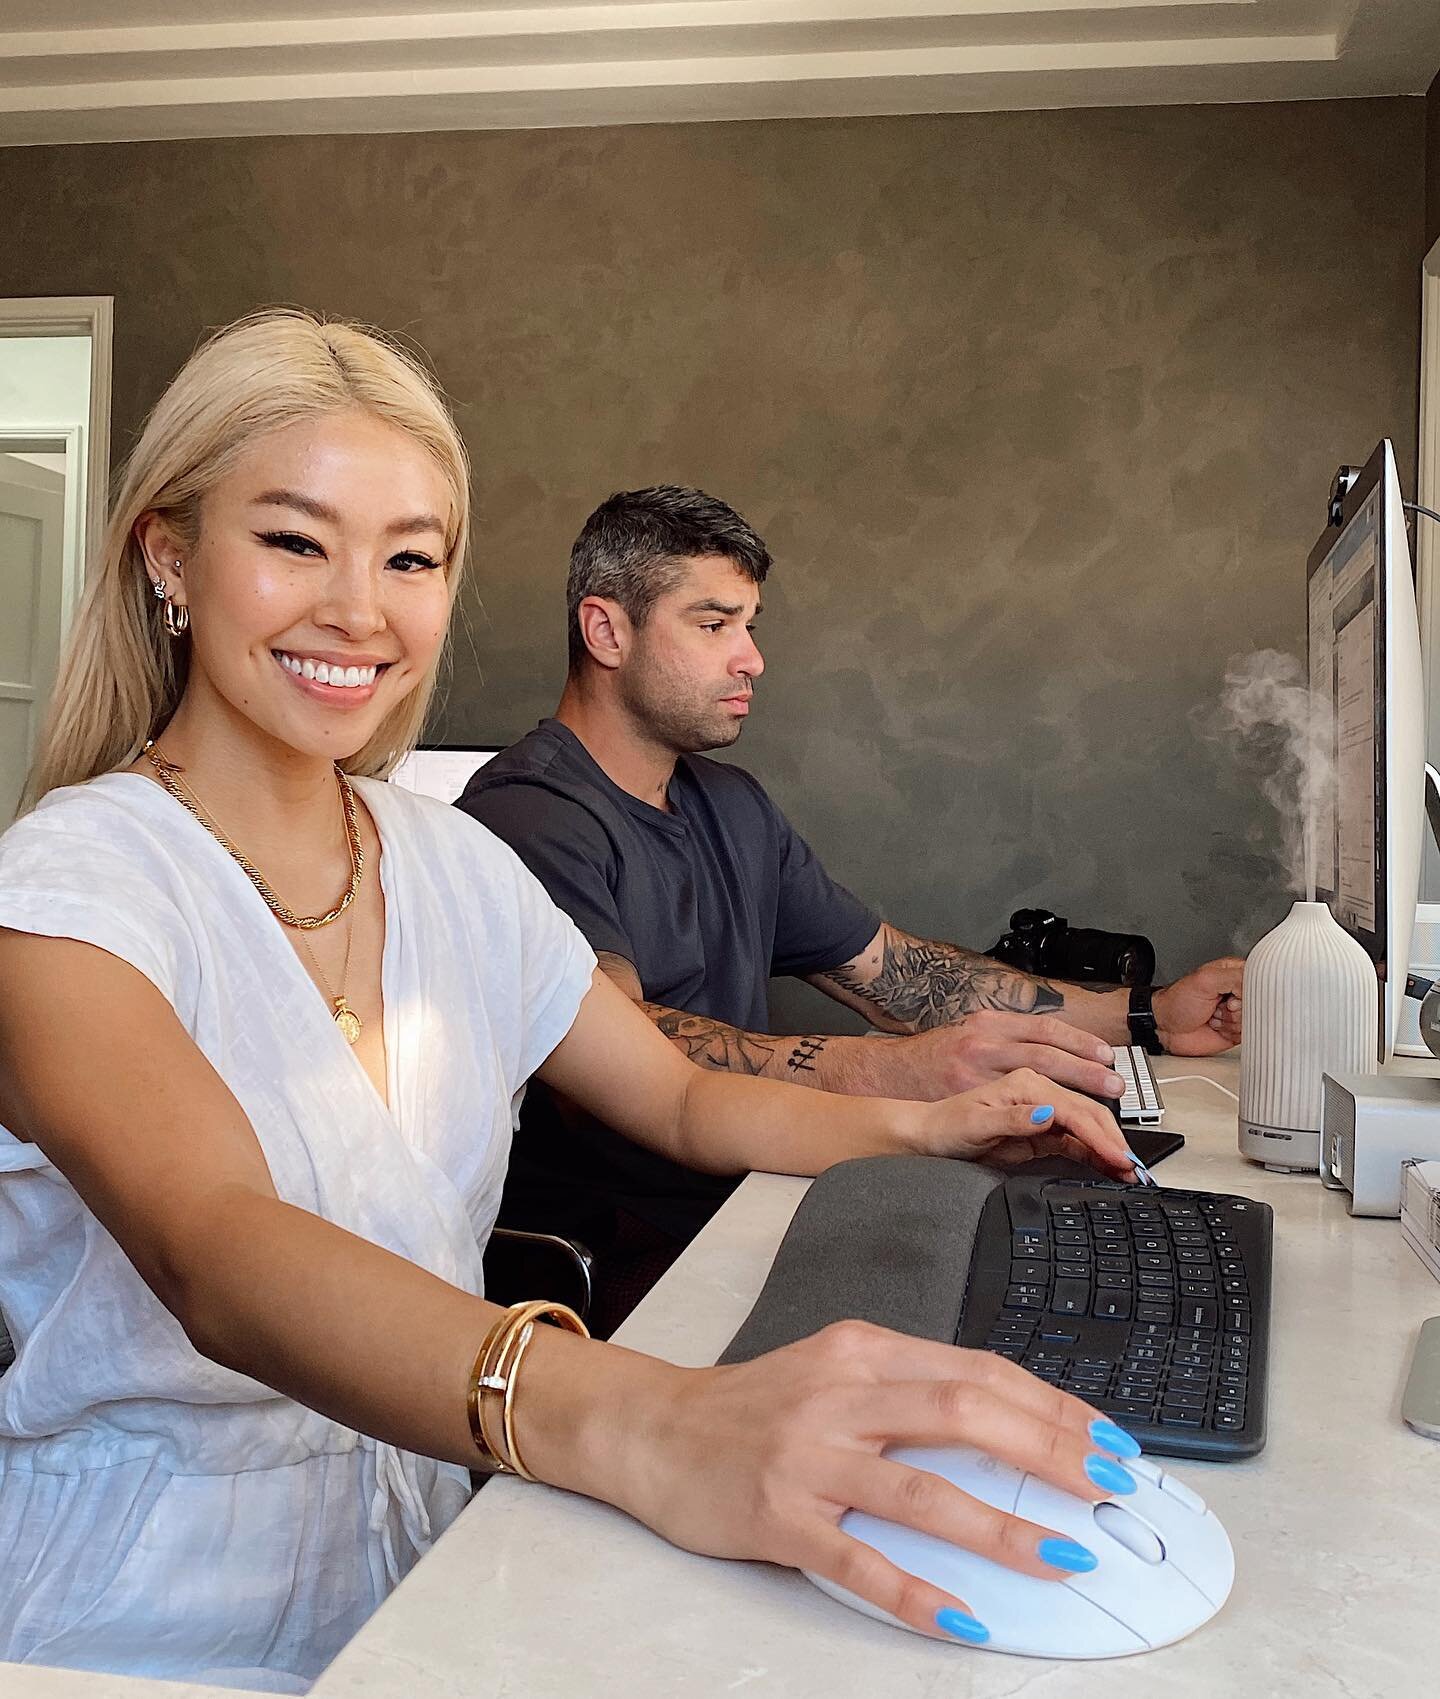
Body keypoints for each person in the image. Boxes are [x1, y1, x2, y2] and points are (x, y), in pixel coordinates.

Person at [0, 311, 1145, 1693]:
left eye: (411, 557)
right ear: (170, 557)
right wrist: (653, 1420)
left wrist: (936, 1129)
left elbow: (673, 1090)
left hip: (433, 1564)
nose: (361, 609)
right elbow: (219, 1249)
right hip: (144, 1619)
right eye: (296, 540)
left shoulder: (452, 863)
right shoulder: (70, 881)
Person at [459, 486, 1244, 1328]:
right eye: (714, 624)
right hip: (625, 1263)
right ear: (606, 630)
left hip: (765, 1191)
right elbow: (619, 1052)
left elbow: (897, 976)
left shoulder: (730, 805)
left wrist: (1147, 1014)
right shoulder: (527, 817)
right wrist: (891, 1072)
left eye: (751, 625)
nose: (752, 657)